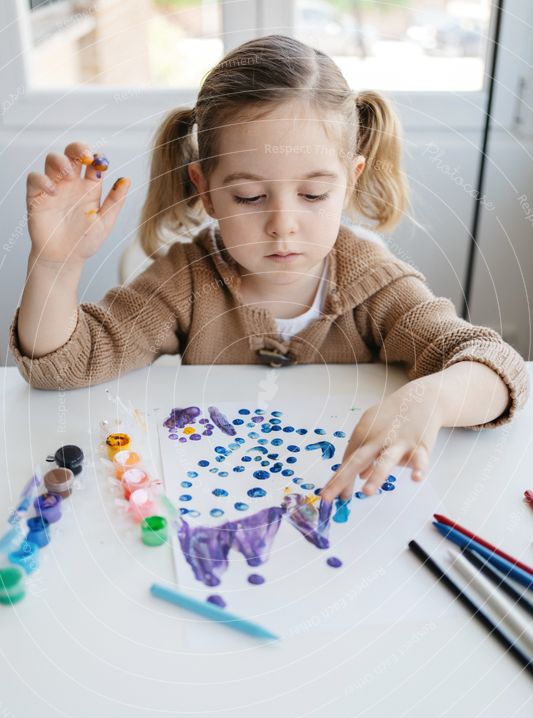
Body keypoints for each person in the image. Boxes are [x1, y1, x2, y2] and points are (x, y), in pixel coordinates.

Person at [9, 35, 528, 503]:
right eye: (251, 196)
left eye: (313, 194)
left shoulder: (374, 284)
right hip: (220, 502)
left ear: (350, 180)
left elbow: (495, 367)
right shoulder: (186, 281)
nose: (283, 224)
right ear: (205, 189)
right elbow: (64, 366)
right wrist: (55, 262)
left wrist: (432, 399)